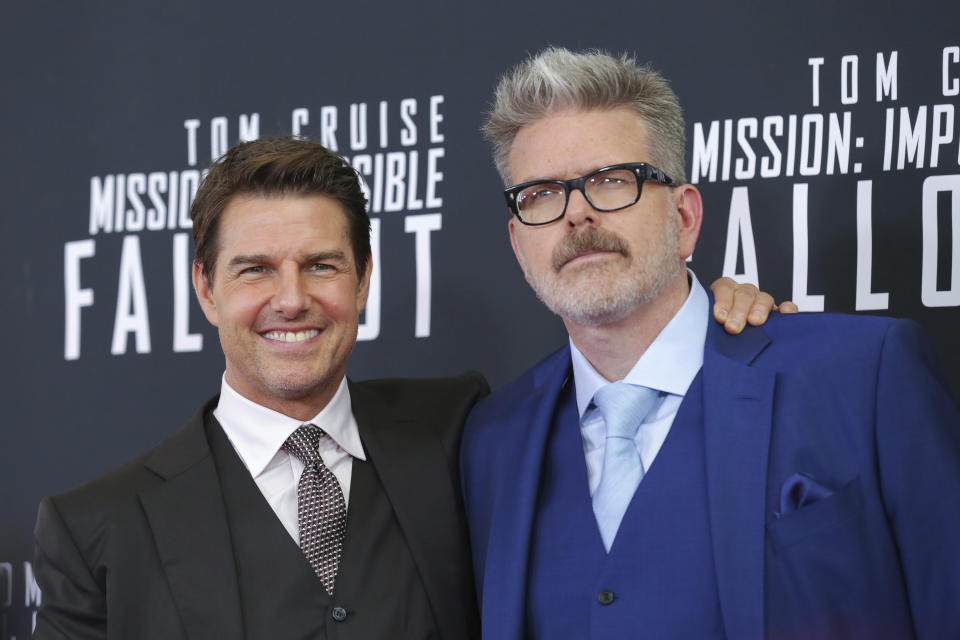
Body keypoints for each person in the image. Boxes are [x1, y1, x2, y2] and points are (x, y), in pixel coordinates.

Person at [31, 136, 777, 639]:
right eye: (254, 269)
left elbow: (624, 356)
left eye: (321, 265)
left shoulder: (460, 430)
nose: (291, 300)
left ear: (363, 282)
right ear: (205, 288)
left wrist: (721, 318)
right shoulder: (98, 529)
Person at [460, 47, 960, 640]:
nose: (576, 214)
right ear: (519, 246)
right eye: (541, 194)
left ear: (685, 216)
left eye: (611, 180)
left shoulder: (863, 374)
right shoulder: (492, 439)